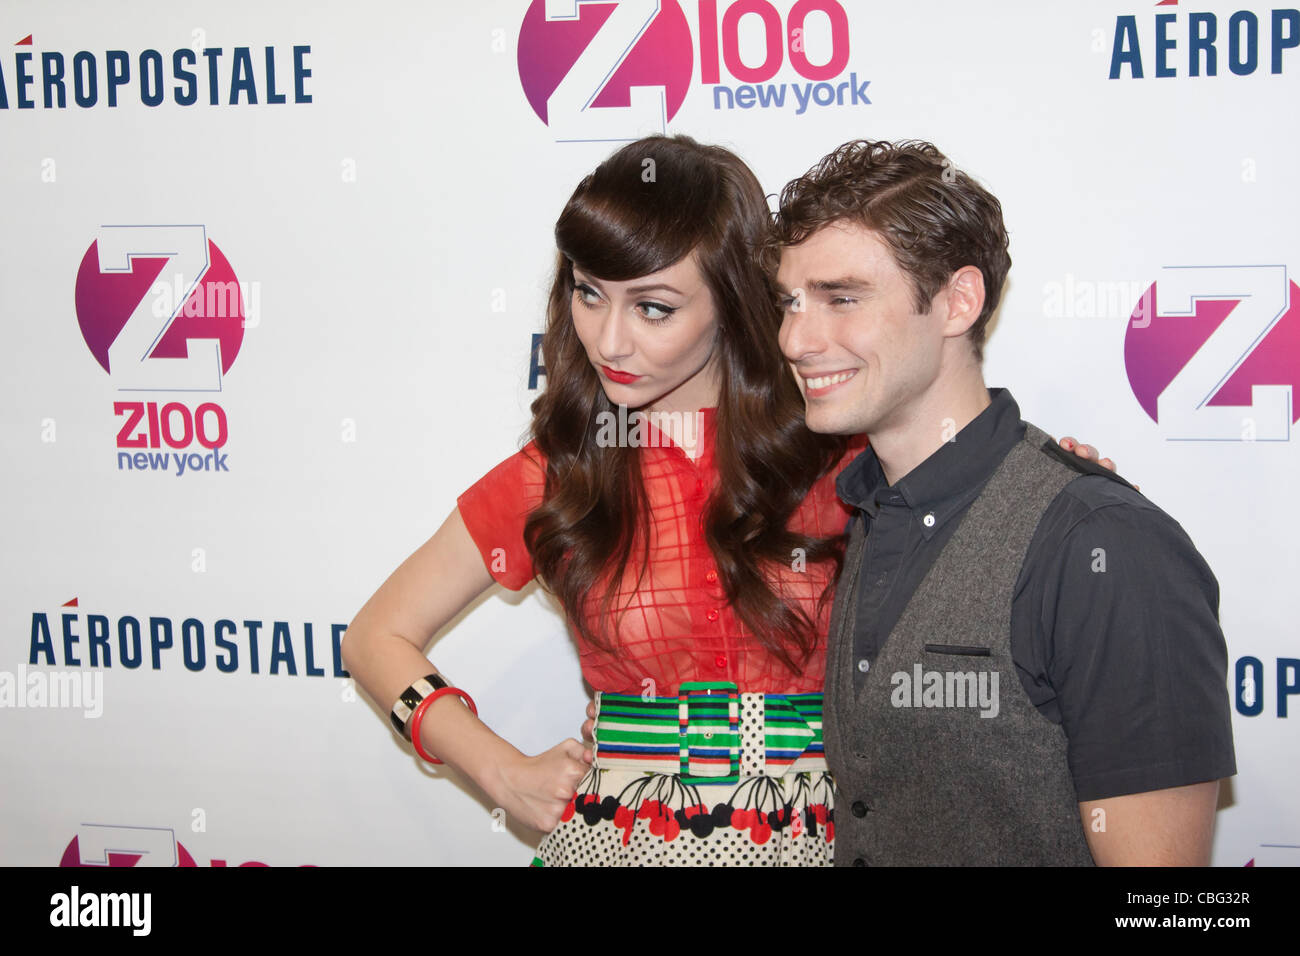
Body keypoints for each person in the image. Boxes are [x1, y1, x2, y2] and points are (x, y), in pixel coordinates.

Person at [343, 135, 1110, 866]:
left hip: (837, 836)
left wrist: (1045, 487)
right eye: (587, 293)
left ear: (731, 303)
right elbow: (376, 636)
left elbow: (978, 498)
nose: (608, 341)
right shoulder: (564, 471)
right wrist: (500, 771)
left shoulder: (838, 447)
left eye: (654, 308)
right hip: (625, 839)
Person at [771, 139, 1236, 866]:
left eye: (843, 298)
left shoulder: (1104, 545)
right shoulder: (864, 510)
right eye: (791, 303)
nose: (797, 338)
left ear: (958, 302)